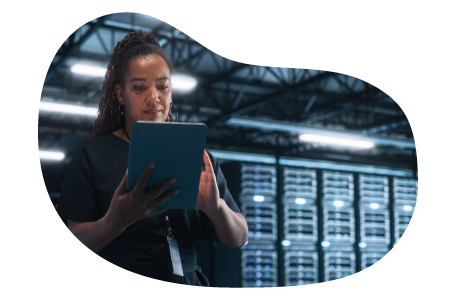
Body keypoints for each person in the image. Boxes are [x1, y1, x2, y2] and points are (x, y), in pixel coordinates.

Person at [57, 30, 248, 288]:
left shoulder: (198, 156)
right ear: (120, 93)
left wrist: (216, 209)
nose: (154, 97)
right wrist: (116, 221)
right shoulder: (91, 156)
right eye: (139, 87)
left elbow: (239, 237)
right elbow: (73, 243)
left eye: (162, 86)